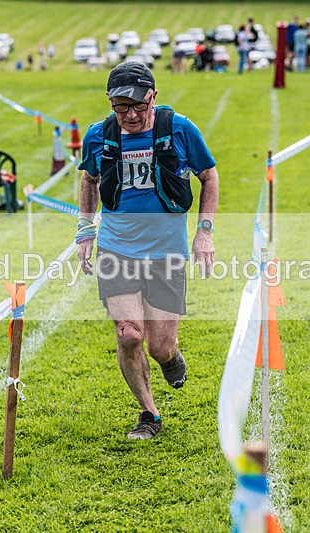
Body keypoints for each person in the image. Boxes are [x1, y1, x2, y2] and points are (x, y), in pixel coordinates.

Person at [76, 62, 219, 440]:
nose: (132, 115)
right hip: (116, 249)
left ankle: (171, 358)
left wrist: (204, 232)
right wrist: (85, 228)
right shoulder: (99, 136)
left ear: (154, 96)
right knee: (128, 334)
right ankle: (149, 414)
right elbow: (88, 179)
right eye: (122, 108)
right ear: (110, 103)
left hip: (165, 252)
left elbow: (209, 176)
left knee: (159, 345)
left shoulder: (179, 129)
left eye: (140, 105)